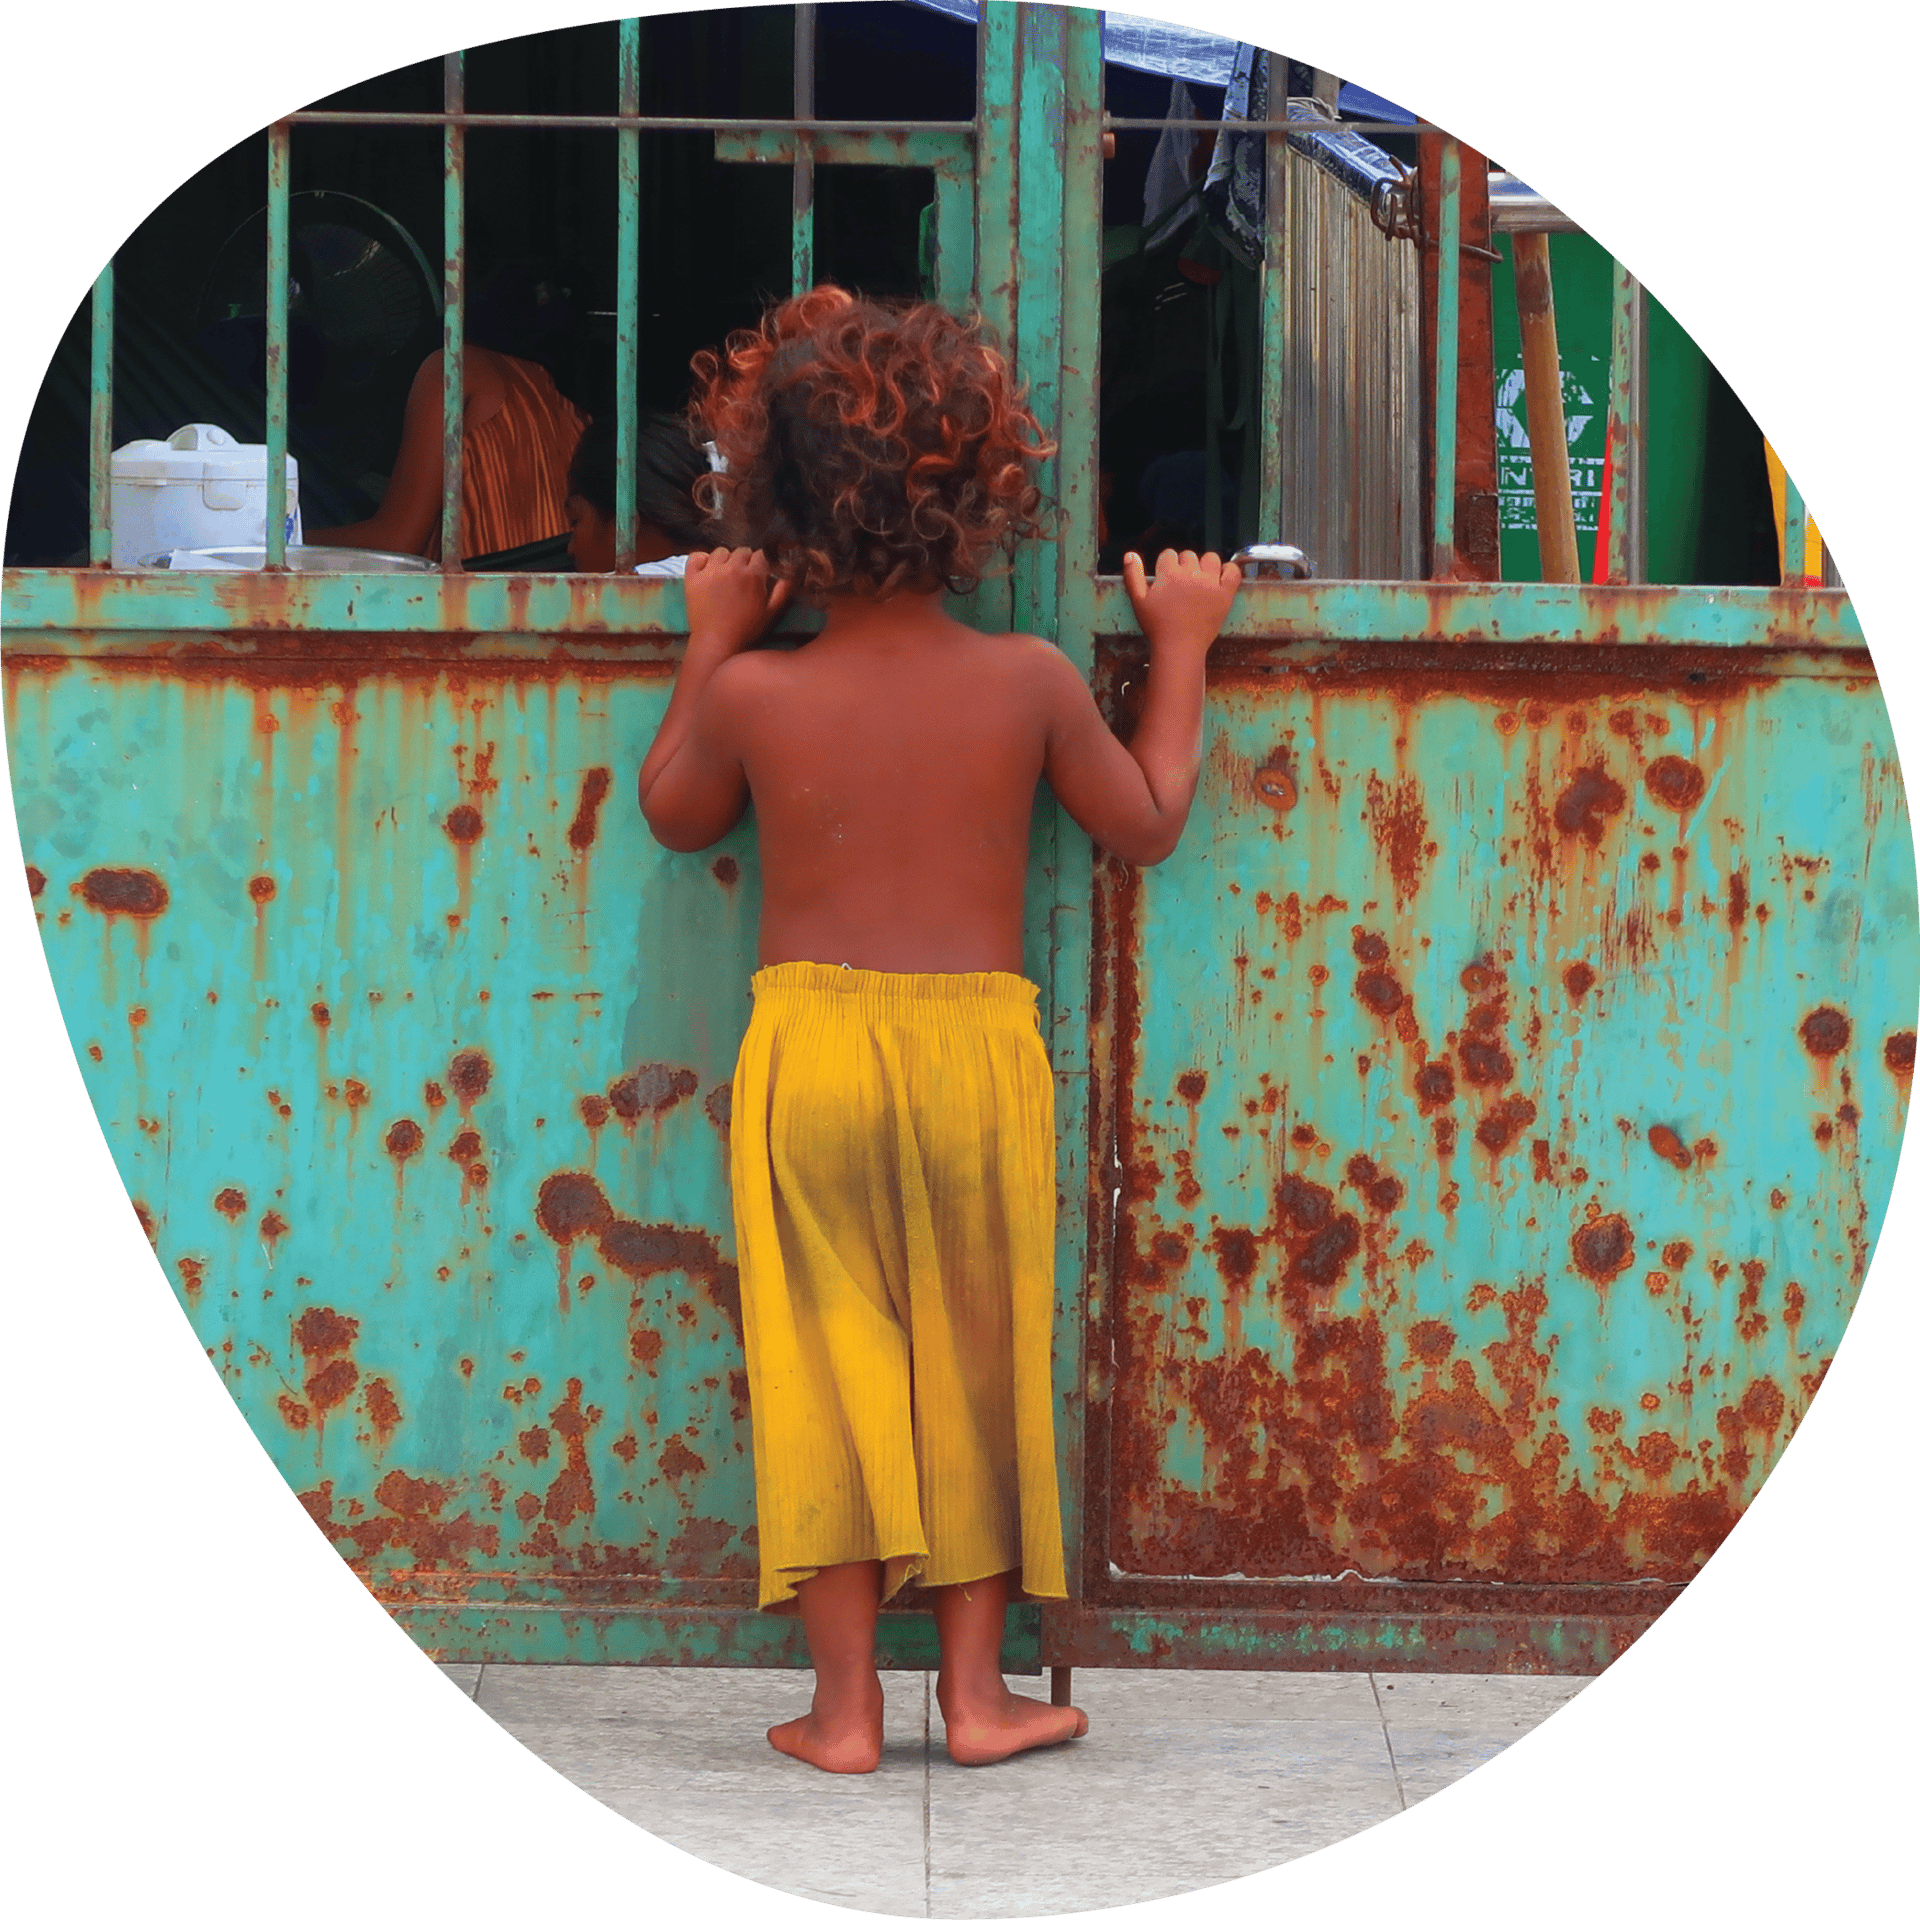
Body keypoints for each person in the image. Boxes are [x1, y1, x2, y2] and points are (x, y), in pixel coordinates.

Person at [637, 287, 1241, 1774]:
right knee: (978, 1362)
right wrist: (1184, 643)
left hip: (812, 1058)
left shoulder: (764, 694)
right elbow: (1148, 822)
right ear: (980, 498)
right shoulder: (1027, 681)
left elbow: (674, 812)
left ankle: (843, 1715)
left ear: (770, 503)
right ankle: (976, 1702)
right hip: (976, 1054)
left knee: (825, 1366)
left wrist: (713, 639)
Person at [306, 265, 587, 562]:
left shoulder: (456, 369)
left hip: (472, 602)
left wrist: (273, 543)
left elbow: (396, 544)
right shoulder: (578, 419)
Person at [562, 410, 716, 574]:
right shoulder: (734, 577)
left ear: (623, 526)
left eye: (575, 521)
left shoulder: (611, 595)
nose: (570, 549)